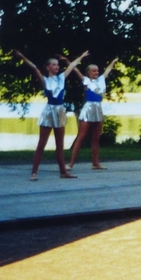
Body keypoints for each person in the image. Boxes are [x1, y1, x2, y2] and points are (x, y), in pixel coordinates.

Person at [13, 48, 87, 181]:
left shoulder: (61, 78)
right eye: (53, 64)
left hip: (60, 111)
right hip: (49, 111)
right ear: (48, 67)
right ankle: (34, 172)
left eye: (58, 65)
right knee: (42, 144)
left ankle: (63, 172)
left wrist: (82, 56)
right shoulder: (45, 80)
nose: (57, 67)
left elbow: (72, 65)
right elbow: (34, 67)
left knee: (60, 145)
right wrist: (22, 56)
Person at [67, 58, 119, 172]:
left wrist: (113, 62)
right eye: (94, 71)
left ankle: (95, 163)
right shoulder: (86, 80)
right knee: (81, 136)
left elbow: (108, 70)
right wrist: (68, 61)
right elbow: (76, 70)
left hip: (98, 109)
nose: (96, 72)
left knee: (96, 138)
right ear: (88, 72)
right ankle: (70, 164)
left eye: (97, 70)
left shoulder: (101, 80)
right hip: (89, 108)